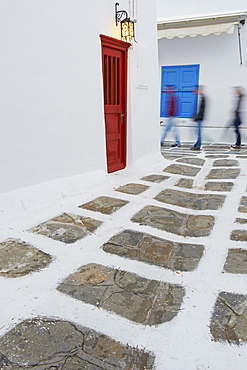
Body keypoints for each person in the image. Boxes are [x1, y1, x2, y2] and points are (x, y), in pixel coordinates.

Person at [191, 85, 206, 150]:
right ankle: (197, 144)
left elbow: (202, 110)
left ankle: (198, 145)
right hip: (199, 118)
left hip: (200, 118)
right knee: (198, 132)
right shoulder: (201, 98)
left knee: (199, 133)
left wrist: (197, 117)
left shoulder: (203, 98)